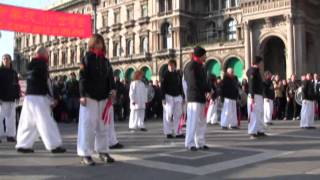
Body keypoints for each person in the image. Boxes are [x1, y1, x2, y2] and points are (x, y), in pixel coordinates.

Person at [15, 47, 66, 153]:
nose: (49, 55)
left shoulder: (30, 65)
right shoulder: (42, 64)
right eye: (48, 53)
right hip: (39, 96)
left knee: (28, 122)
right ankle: (54, 145)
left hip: (29, 97)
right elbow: (47, 83)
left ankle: (23, 144)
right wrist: (53, 97)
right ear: (44, 54)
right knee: (46, 121)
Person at [77, 34, 116, 166]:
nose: (100, 45)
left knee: (103, 126)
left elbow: (110, 77)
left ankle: (102, 151)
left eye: (101, 43)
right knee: (88, 126)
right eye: (97, 42)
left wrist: (113, 89)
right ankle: (85, 154)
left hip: (103, 97)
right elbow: (82, 78)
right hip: (90, 97)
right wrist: (82, 94)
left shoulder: (105, 60)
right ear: (92, 44)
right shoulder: (86, 59)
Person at [184, 46, 211, 151]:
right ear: (200, 55)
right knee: (192, 121)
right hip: (194, 97)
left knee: (201, 121)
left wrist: (209, 90)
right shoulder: (190, 66)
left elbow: (205, 81)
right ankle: (189, 143)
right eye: (204, 55)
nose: (206, 56)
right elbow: (193, 83)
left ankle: (200, 142)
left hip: (201, 97)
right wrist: (205, 90)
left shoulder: (201, 66)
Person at [161, 60, 185, 139]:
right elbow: (162, 87)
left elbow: (181, 86)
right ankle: (168, 132)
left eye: (172, 65)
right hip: (168, 96)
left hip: (178, 96)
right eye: (169, 65)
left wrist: (183, 96)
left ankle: (178, 132)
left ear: (175, 66)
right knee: (168, 114)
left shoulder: (178, 74)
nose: (171, 67)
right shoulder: (165, 74)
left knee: (178, 114)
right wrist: (163, 98)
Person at [0, 54, 20, 142]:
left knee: (11, 118)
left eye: (7, 59)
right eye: (4, 59)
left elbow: (17, 85)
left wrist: (17, 96)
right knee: (0, 117)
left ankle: (10, 136)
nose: (5, 60)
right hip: (2, 98)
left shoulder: (14, 72)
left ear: (10, 60)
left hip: (12, 98)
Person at [247, 56, 266, 139]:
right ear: (258, 63)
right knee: (254, 113)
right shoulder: (252, 71)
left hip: (259, 95)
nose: (262, 65)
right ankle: (252, 131)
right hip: (254, 95)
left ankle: (260, 130)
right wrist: (251, 96)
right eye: (261, 63)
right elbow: (251, 84)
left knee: (260, 112)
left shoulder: (256, 71)